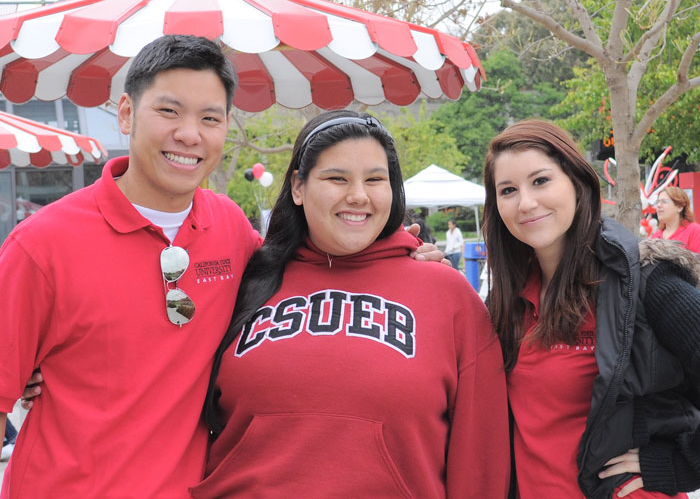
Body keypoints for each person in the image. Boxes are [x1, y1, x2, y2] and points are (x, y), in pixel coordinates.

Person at [0, 36, 444, 498]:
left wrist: (399, 252)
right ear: (127, 113)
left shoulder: (229, 227)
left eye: (209, 118)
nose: (190, 135)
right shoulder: (41, 245)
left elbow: (309, 258)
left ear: (227, 126)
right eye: (169, 112)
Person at [190, 110, 510, 498]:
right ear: (297, 186)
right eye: (336, 178)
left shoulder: (447, 293)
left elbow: (481, 453)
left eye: (375, 179)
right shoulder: (245, 280)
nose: (358, 195)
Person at [482, 119, 700, 499]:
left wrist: (678, 464)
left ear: (577, 182)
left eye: (540, 181)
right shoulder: (507, 301)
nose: (526, 202)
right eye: (508, 190)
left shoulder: (646, 282)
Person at [650, 186, 700, 253]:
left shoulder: (694, 231)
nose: (658, 205)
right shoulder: (655, 237)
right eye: (657, 202)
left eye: (664, 201)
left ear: (680, 207)